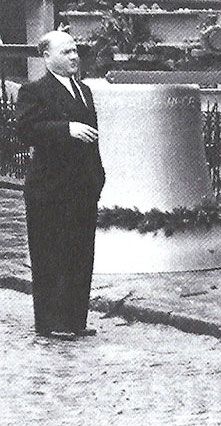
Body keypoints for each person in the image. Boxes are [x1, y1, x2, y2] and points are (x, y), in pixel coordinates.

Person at [16, 31, 105, 341]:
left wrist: (98, 178)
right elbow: (26, 130)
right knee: (51, 254)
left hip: (82, 188)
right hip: (50, 190)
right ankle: (52, 322)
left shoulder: (84, 90)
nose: (73, 56)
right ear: (46, 56)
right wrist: (66, 128)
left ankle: (75, 319)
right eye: (66, 52)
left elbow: (92, 138)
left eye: (75, 50)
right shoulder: (34, 91)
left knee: (80, 254)